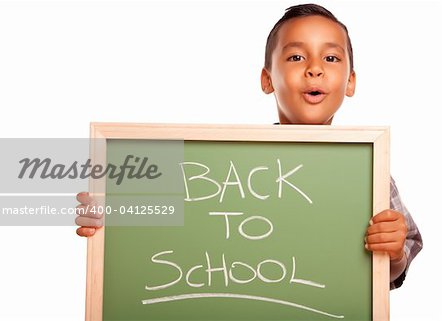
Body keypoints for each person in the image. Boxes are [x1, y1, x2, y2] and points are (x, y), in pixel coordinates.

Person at [75, 3, 422, 289]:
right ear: (267, 79)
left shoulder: (369, 172)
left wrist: (394, 254)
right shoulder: (226, 162)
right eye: (296, 58)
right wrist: (111, 219)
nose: (315, 70)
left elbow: (391, 270)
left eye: (331, 59)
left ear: (351, 81)